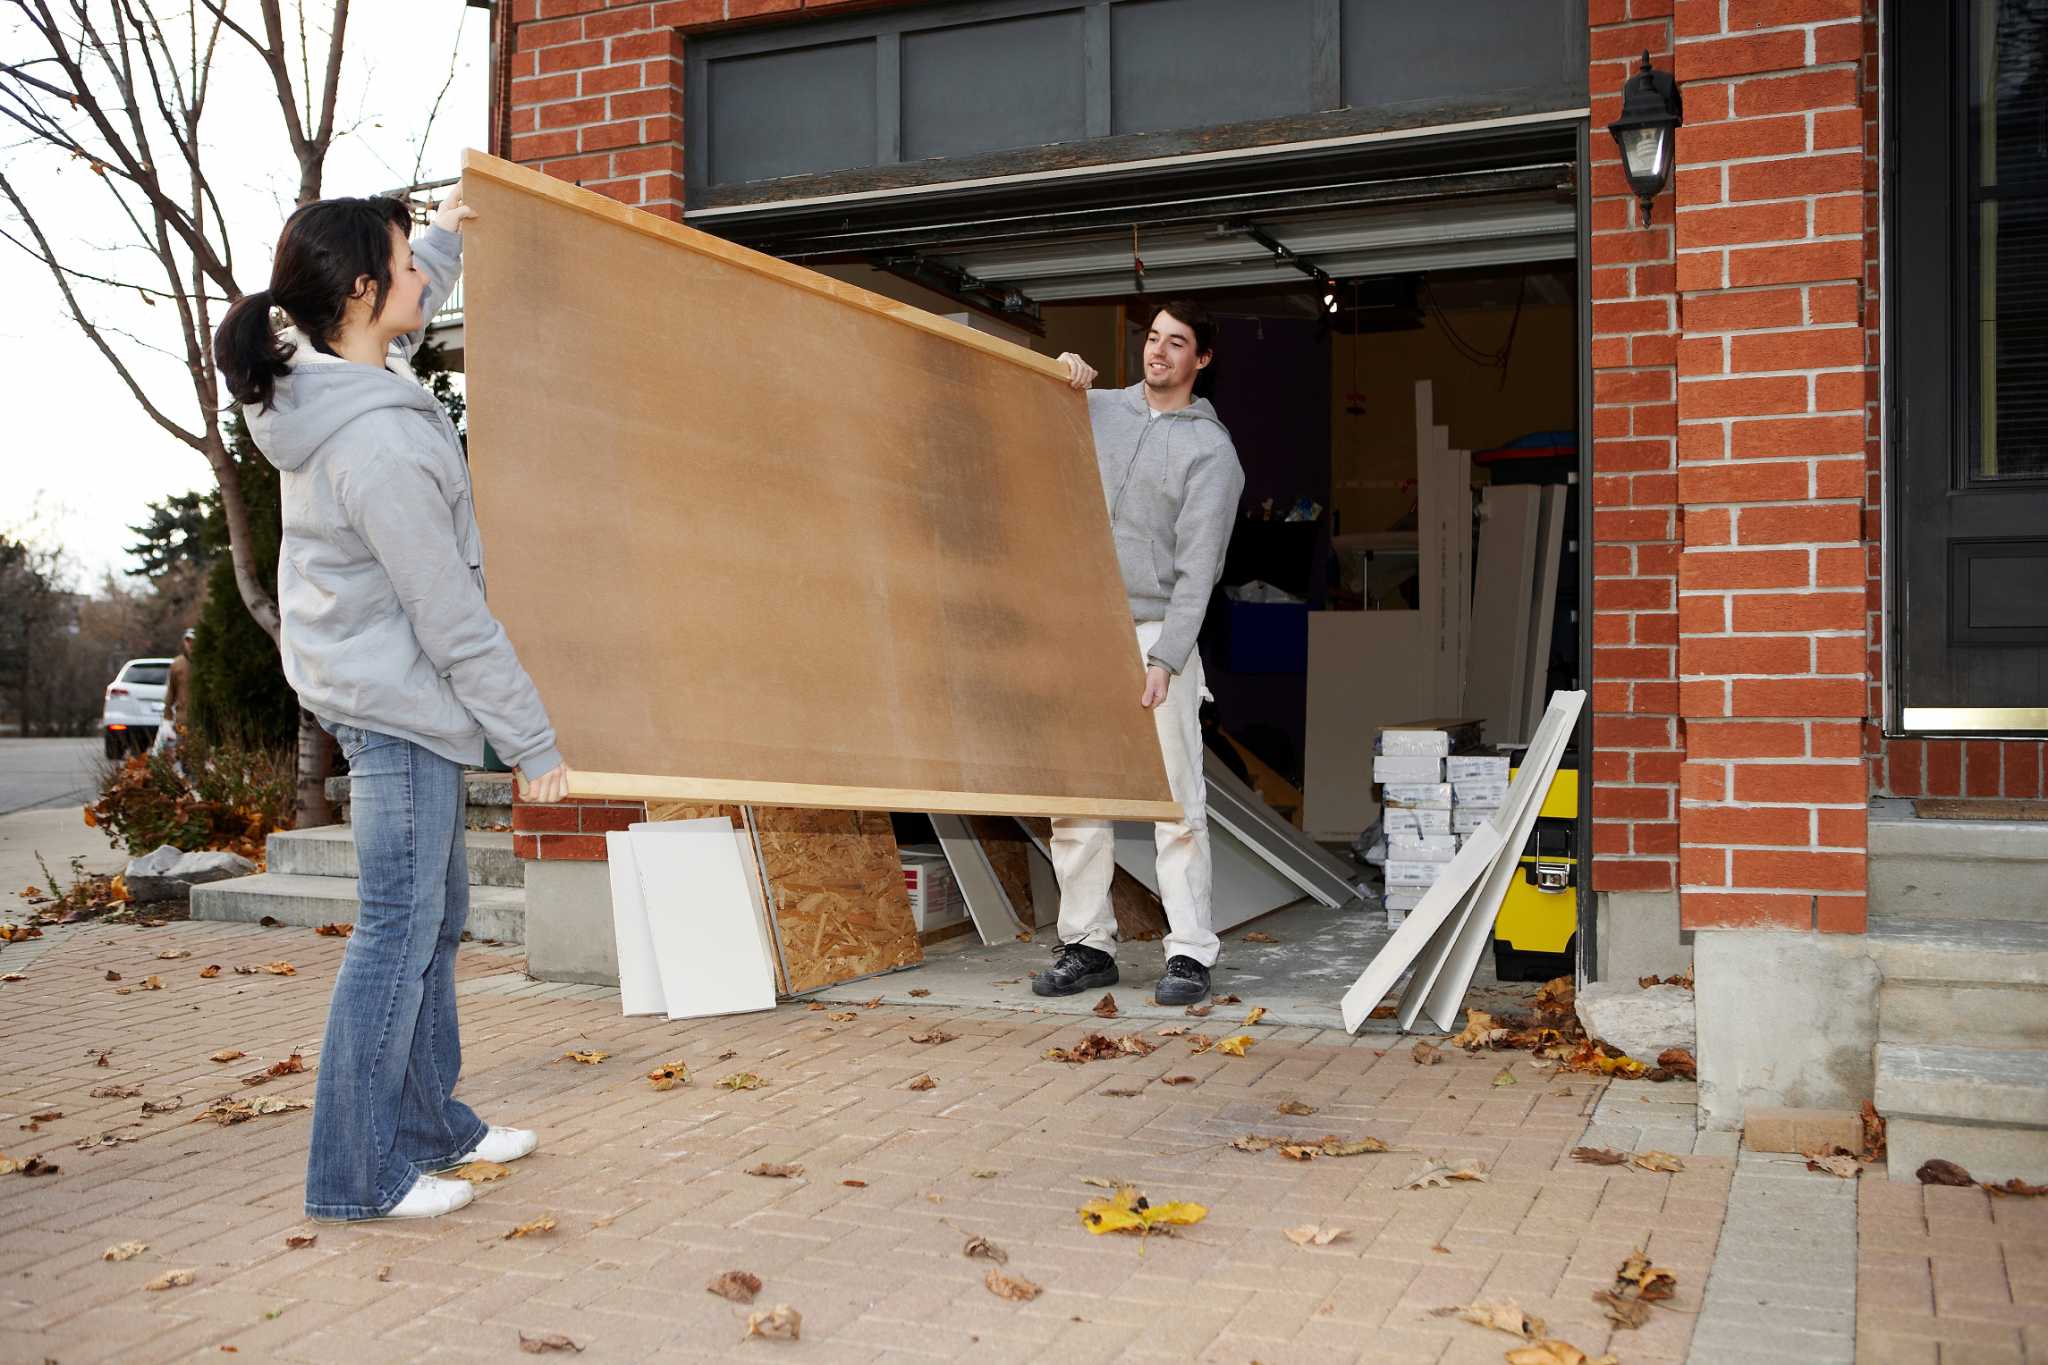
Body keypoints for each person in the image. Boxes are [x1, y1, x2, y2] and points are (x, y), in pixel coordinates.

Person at [214, 186, 569, 1222]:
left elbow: (408, 306)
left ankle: (426, 1126)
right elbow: (453, 617)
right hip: (398, 701)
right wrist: (532, 743)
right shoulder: (376, 444)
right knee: (396, 934)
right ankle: (356, 1176)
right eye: (408, 265)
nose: (425, 278)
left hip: (381, 685)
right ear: (365, 292)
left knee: (435, 919)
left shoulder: (342, 380)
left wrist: (448, 228)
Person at [1037, 300, 1244, 1007]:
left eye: (1176, 342)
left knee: (1175, 800)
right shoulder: (1097, 408)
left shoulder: (1211, 453)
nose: (1158, 352)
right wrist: (1057, 373)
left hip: (1156, 633)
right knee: (1076, 798)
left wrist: (1169, 657)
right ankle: (1088, 944)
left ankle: (1189, 953)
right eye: (1152, 338)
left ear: (1202, 359)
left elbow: (1200, 569)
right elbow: (1029, 414)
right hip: (1083, 627)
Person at [150, 628, 193, 760]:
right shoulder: (177, 665)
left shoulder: (206, 663)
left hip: (203, 720)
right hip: (182, 719)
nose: (191, 644)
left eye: (193, 640)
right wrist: (167, 719)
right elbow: (171, 692)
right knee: (183, 755)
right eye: (188, 640)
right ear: (184, 642)